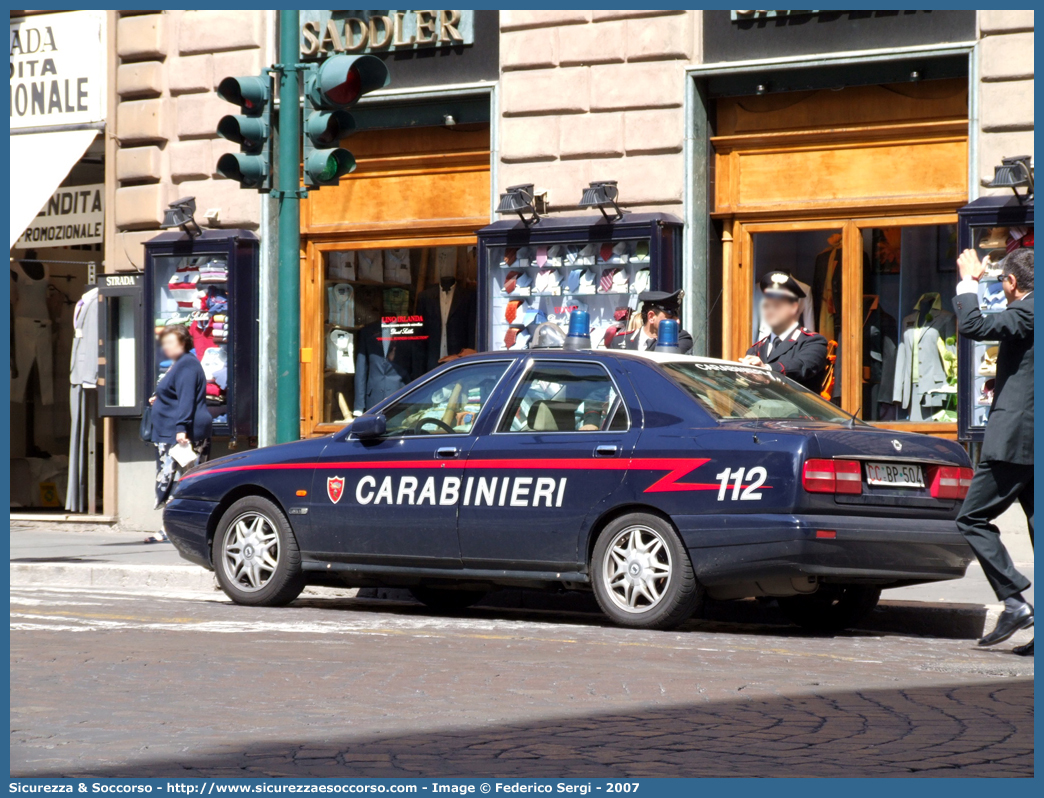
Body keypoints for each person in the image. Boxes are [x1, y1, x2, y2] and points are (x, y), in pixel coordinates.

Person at [953, 247, 1034, 655]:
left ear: (1012, 283)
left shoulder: (1027, 311)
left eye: (1001, 282)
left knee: (971, 518)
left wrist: (968, 279)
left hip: (1016, 441)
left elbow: (971, 324)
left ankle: (1015, 600)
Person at [147, 324, 213, 543]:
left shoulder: (186, 365)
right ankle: (174, 528)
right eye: (164, 343)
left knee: (182, 481)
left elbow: (186, 399)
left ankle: (178, 529)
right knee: (179, 480)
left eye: (171, 342)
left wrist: (181, 428)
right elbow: (176, 394)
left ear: (183, 343)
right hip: (174, 431)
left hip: (182, 435)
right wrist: (159, 399)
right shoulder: (180, 364)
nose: (166, 347)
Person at [741, 271, 828, 392]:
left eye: (777, 304)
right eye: (767, 304)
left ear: (794, 307)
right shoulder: (755, 349)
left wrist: (767, 369)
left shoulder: (813, 342)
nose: (770, 309)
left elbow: (802, 366)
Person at [609, 290, 693, 354]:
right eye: (670, 317)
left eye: (677, 316)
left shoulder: (680, 338)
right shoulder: (620, 341)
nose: (677, 321)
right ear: (651, 317)